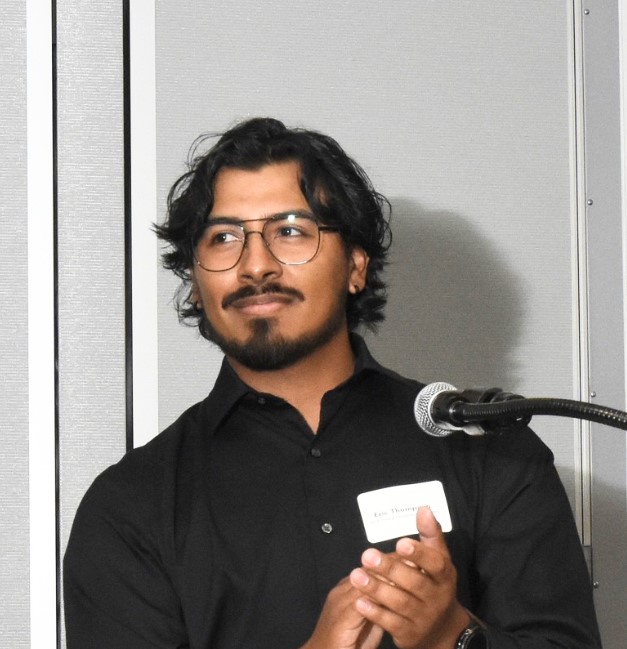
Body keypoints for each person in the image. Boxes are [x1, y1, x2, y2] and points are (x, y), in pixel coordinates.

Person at [64, 117, 602, 649]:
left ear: (355, 266)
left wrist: (452, 637)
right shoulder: (130, 507)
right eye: (224, 238)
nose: (256, 266)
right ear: (193, 282)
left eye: (290, 231)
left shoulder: (491, 454)